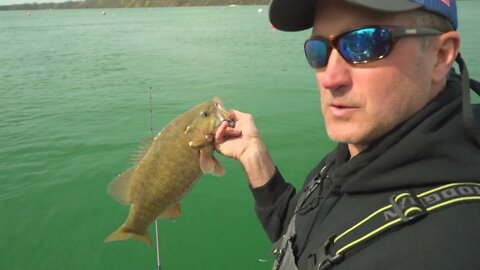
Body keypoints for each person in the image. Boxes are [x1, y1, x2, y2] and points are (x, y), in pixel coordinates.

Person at [215, 0, 480, 269]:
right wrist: (255, 159)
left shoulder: (448, 247)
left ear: (441, 56)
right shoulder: (359, 153)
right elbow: (305, 238)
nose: (330, 77)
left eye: (365, 44)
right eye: (319, 50)